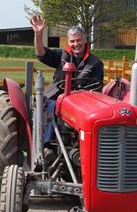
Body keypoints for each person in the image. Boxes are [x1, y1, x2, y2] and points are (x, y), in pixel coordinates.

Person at [31, 15, 104, 161]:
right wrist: (38, 34)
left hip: (82, 102)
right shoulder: (62, 55)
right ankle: (48, 146)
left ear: (84, 40)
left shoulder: (95, 63)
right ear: (68, 42)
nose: (76, 44)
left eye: (78, 40)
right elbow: (41, 53)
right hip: (57, 96)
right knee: (52, 105)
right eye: (72, 41)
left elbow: (96, 90)